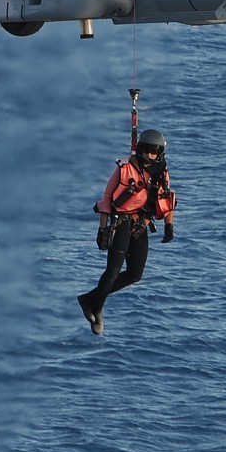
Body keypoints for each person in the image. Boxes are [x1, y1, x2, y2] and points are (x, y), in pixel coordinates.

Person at [77, 128, 176, 335]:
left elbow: (167, 201)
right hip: (121, 221)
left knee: (135, 274)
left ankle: (88, 299)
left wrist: (169, 225)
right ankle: (97, 308)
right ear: (139, 149)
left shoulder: (162, 174)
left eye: (154, 152)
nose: (150, 155)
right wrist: (102, 229)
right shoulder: (124, 169)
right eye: (147, 150)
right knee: (112, 272)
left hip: (142, 225)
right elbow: (106, 200)